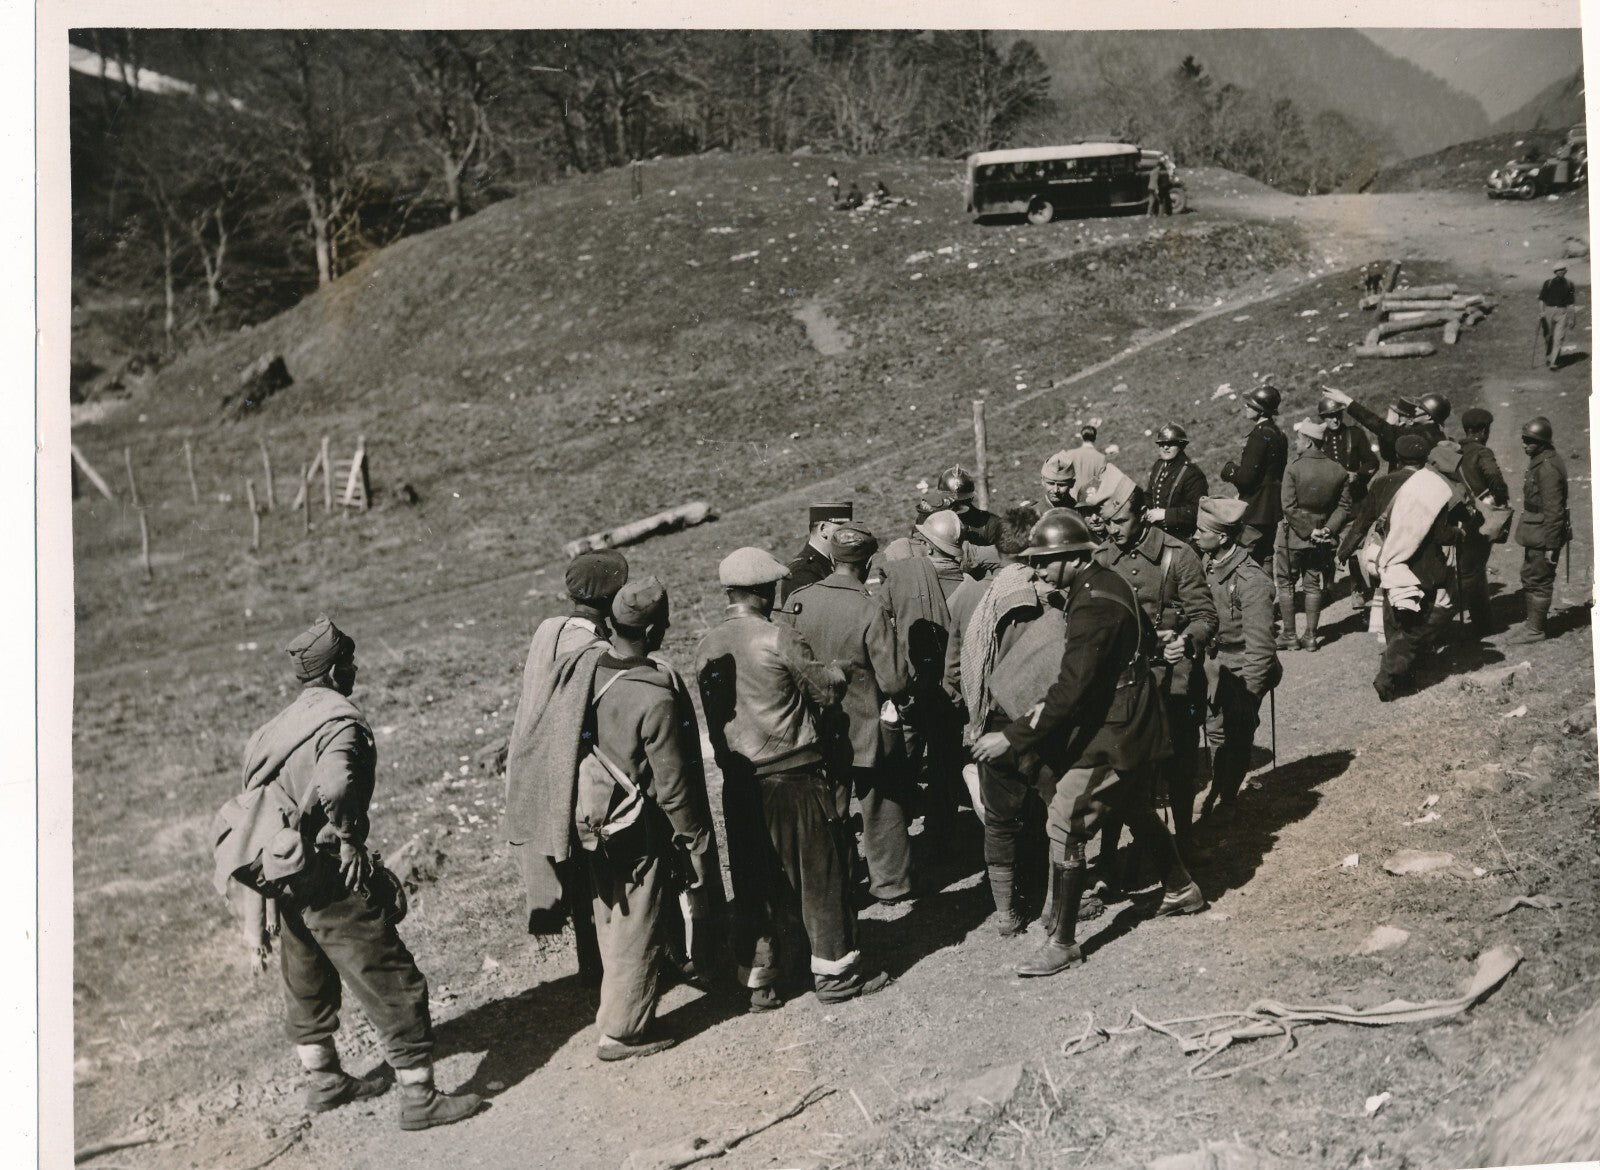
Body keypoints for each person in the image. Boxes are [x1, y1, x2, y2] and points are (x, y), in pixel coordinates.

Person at [212, 617, 482, 1129]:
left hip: (281, 874)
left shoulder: (271, 730)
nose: (355, 670)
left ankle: (325, 1080)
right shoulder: (339, 723)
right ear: (336, 670)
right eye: (350, 663)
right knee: (389, 974)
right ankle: (421, 1097)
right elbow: (336, 786)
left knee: (305, 973)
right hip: (326, 870)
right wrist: (352, 838)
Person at [971, 509, 1206, 980]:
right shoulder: (1105, 582)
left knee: (1064, 819)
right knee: (1134, 806)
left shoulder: (1092, 603)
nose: (1036, 571)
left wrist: (1012, 737)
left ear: (1072, 558)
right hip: (1133, 719)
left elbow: (1070, 688)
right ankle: (1181, 889)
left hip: (1116, 731)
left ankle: (1061, 940)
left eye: (1044, 562)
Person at [694, 548, 889, 1010]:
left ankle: (760, 981)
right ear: (765, 591)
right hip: (793, 776)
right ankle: (836, 974)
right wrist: (838, 671)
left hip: (740, 784)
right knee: (820, 877)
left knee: (754, 883)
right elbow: (822, 689)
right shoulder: (779, 636)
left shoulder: (706, 645)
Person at [561, 578, 721, 1060]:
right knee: (640, 920)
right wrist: (694, 842)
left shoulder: (587, 671)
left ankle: (616, 1005)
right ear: (651, 630)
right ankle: (622, 1031)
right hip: (636, 824)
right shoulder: (654, 695)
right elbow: (673, 788)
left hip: (594, 817)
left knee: (611, 913)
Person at [505, 549, 630, 982]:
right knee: (598, 881)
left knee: (577, 886)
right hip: (573, 784)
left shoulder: (549, 630)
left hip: (539, 774)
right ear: (611, 602)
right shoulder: (591, 651)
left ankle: (591, 972)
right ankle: (605, 978)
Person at [782, 523, 914, 904]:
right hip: (867, 726)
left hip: (818, 727)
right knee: (882, 805)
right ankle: (891, 883)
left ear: (834, 557)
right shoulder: (868, 608)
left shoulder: (800, 600)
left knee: (832, 810)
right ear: (869, 562)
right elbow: (892, 680)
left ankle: (838, 881)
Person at [1094, 482, 1218, 863]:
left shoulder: (1178, 555)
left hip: (1174, 677)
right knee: (1124, 768)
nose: (1112, 529)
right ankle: (1113, 856)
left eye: (1120, 521)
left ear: (1142, 515)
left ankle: (1185, 841)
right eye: (1107, 522)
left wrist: (1187, 640)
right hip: (1125, 681)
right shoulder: (1102, 559)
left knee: (1180, 764)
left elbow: (1205, 616)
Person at [945, 508, 1048, 934]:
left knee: (1001, 819)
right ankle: (1051, 901)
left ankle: (1006, 913)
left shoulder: (971, 596)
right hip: (1035, 719)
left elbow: (954, 669)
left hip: (987, 721)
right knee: (1048, 809)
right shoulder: (1039, 594)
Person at [877, 510, 969, 842]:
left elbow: (882, 623)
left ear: (928, 544)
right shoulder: (968, 582)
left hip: (911, 690)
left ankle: (897, 835)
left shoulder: (901, 577)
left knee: (903, 763)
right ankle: (940, 836)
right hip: (952, 691)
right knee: (945, 766)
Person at [1190, 501, 1282, 820]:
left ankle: (1226, 797)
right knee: (1215, 732)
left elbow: (1261, 648)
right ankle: (1221, 788)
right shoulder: (1206, 562)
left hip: (1243, 671)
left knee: (1236, 735)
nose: (1196, 535)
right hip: (1214, 666)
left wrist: (1249, 698)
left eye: (1203, 531)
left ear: (1224, 538)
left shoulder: (1251, 581)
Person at [1371, 441, 1472, 700]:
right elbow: (1440, 535)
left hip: (1397, 562)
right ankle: (1388, 677)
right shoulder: (1437, 490)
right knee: (1415, 629)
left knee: (1398, 621)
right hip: (1424, 570)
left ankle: (1401, 678)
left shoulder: (1416, 483)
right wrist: (1457, 532)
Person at [1277, 419, 1353, 651]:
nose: (1296, 444)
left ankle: (1290, 635)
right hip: (1322, 537)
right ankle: (1311, 636)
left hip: (1293, 536)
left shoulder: (1293, 467)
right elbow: (1344, 508)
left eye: (1299, 440)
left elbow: (1288, 507)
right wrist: (1327, 529)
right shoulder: (1338, 470)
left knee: (1286, 584)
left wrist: (1308, 531)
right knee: (1312, 584)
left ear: (1309, 442)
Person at [1509, 416, 1569, 642]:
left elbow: (1554, 510)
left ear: (1542, 442)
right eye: (1524, 439)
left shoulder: (1547, 468)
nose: (1524, 444)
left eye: (1529, 440)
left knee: (1538, 579)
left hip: (1543, 533)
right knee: (1531, 575)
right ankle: (1533, 624)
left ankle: (1535, 630)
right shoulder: (1542, 459)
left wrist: (1551, 546)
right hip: (1537, 531)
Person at [1319, 393, 1380, 612]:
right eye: (1329, 417)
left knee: (1353, 545)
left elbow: (1373, 462)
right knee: (1326, 545)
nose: (1334, 420)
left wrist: (1358, 474)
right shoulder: (1320, 439)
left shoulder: (1355, 434)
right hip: (1329, 502)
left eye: (1337, 415)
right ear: (1323, 419)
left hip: (1355, 499)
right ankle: (1327, 588)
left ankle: (1358, 589)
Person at [1219, 384, 1288, 565]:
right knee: (1265, 557)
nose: (1246, 407)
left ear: (1260, 409)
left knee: (1241, 559)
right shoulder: (1279, 434)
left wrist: (1229, 470)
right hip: (1272, 509)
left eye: (1250, 404)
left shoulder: (1258, 436)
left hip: (1255, 509)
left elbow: (1246, 479)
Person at [1457, 408, 1510, 637]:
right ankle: (1482, 625)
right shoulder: (1482, 452)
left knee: (1465, 567)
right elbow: (1495, 480)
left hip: (1458, 515)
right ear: (1482, 430)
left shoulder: (1455, 450)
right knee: (1475, 570)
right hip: (1480, 517)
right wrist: (1500, 500)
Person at [1323, 385, 1449, 471]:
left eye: (1421, 408)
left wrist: (1347, 400)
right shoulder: (1430, 432)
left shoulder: (1422, 434)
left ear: (1429, 418)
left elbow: (1381, 428)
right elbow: (1388, 453)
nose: (1416, 409)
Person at [1144, 423, 1209, 546]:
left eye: (1171, 444)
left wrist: (1165, 514)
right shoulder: (1159, 466)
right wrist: (1145, 508)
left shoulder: (1192, 473)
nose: (1165, 447)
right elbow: (1149, 494)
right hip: (1157, 535)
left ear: (1181, 446)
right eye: (1162, 444)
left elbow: (1198, 510)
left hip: (1181, 540)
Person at [781, 501, 851, 604]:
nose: (849, 535)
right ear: (823, 529)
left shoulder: (824, 564)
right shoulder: (801, 572)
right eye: (843, 529)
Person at [937, 465, 1004, 547]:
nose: (955, 505)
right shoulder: (930, 521)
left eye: (961, 501)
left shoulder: (990, 524)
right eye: (950, 500)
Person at [1539, 264, 1576, 370]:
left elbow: (1571, 303)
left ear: (1565, 271)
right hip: (1549, 311)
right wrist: (1541, 311)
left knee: (1559, 338)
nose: (1560, 272)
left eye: (1562, 270)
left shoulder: (1570, 284)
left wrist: (1572, 318)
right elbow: (1542, 299)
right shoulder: (1548, 283)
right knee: (1548, 336)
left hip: (1562, 312)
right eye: (1557, 270)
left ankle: (1553, 363)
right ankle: (1549, 357)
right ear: (1554, 272)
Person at [1061, 424, 1108, 489]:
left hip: (1071, 494)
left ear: (1081, 437)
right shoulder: (1101, 458)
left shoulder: (1070, 453)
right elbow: (1102, 481)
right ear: (1095, 437)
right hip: (1091, 494)